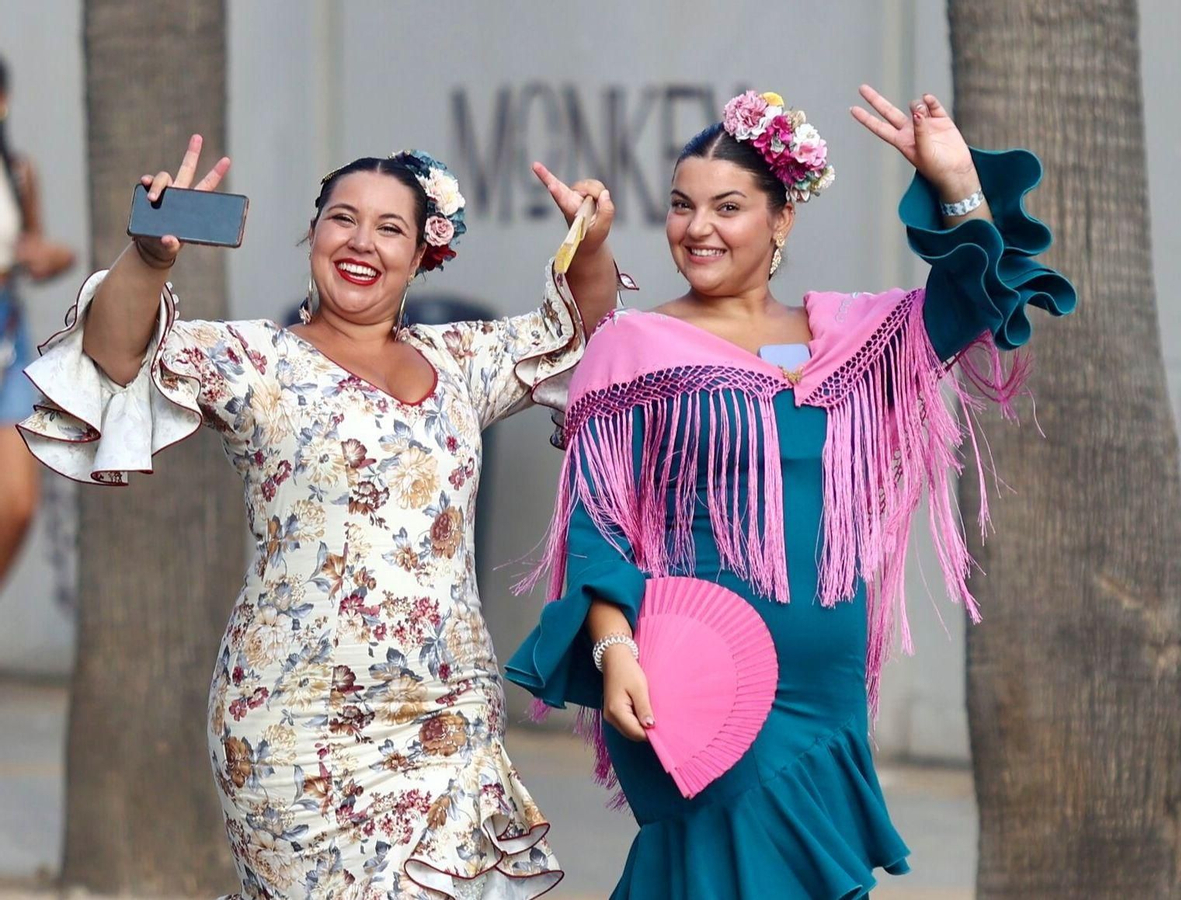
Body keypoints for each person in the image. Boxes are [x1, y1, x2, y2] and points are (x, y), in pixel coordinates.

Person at [506, 85, 1076, 898]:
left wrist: (956, 182)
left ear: (782, 219)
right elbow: (598, 522)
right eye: (680, 206)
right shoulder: (636, 347)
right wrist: (612, 647)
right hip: (701, 674)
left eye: (727, 206)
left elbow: (978, 298)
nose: (697, 228)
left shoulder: (856, 336)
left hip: (826, 688)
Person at [17, 136, 623, 898]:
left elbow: (581, 340)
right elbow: (113, 356)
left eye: (390, 227)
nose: (361, 241)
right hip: (292, 725)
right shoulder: (256, 360)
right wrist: (150, 256)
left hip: (449, 723)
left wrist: (591, 243)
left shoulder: (463, 361)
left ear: (423, 252)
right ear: (314, 236)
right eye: (342, 219)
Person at [0, 53, 75, 590]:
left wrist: (52, 257)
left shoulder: (18, 172)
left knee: (19, 503)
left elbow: (42, 250)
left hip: (8, 330)